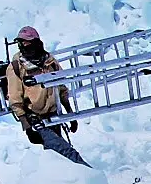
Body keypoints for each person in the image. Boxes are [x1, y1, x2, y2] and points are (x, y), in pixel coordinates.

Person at [5, 25, 89, 167]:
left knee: (55, 157)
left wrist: (70, 114)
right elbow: (15, 98)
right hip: (35, 119)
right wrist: (26, 124)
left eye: (27, 43)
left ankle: (61, 182)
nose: (23, 46)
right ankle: (90, 174)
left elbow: (61, 86)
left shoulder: (49, 61)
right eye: (21, 43)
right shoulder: (16, 67)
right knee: (65, 152)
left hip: (53, 114)